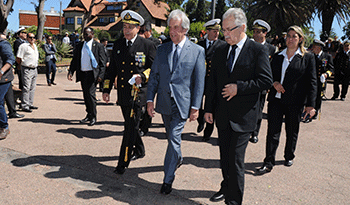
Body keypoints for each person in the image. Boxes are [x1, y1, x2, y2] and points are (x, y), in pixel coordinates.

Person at [204, 8, 273, 204]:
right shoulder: (219, 50)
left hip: (243, 118)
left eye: (228, 30)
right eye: (223, 30)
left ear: (242, 27)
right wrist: (208, 109)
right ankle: (226, 186)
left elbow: (266, 81)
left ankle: (234, 201)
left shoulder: (258, 50)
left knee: (235, 161)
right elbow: (212, 83)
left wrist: (239, 88)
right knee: (225, 158)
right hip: (223, 114)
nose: (224, 34)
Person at [147, 9, 206, 195]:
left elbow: (199, 82)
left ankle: (167, 179)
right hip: (164, 103)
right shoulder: (161, 49)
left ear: (185, 29)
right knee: (172, 139)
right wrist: (150, 100)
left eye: (176, 27)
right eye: (170, 27)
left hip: (183, 104)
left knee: (173, 137)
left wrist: (196, 107)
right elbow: (154, 77)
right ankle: (178, 157)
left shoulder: (197, 51)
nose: (171, 31)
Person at [256, 25, 317, 176]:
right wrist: (274, 83)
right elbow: (268, 75)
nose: (290, 39)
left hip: (295, 102)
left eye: (294, 36)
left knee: (292, 130)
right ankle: (268, 162)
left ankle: (289, 155)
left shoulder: (307, 57)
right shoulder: (278, 56)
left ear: (300, 39)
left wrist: (311, 105)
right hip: (276, 100)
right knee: (272, 132)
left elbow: (312, 82)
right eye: (288, 36)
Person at [103, 10, 157, 175]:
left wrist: (142, 75)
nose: (126, 30)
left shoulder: (147, 45)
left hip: (138, 94)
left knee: (129, 128)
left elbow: (154, 69)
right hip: (123, 94)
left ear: (138, 28)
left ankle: (123, 162)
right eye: (124, 26)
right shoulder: (118, 44)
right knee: (131, 124)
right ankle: (140, 149)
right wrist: (106, 88)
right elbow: (112, 69)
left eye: (130, 27)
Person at [67, 27, 107, 126]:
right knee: (86, 95)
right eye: (84, 34)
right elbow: (75, 60)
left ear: (92, 34)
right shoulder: (80, 45)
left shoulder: (98, 46)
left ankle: (93, 116)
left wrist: (101, 75)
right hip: (83, 73)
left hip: (93, 74)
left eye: (87, 34)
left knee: (91, 95)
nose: (85, 36)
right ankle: (88, 114)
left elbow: (103, 62)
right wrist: (71, 72)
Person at [196, 18, 226, 142]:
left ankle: (207, 132)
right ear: (207, 31)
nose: (216, 33)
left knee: (211, 106)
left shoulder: (222, 45)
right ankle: (200, 119)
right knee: (197, 103)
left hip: (213, 81)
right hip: (200, 80)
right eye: (214, 31)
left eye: (218, 31)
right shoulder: (199, 44)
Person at [249, 19, 276, 143]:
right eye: (254, 31)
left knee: (259, 109)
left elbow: (273, 68)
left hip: (262, 84)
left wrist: (271, 83)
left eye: (258, 32)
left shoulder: (271, 49)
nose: (255, 34)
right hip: (248, 82)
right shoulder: (248, 45)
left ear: (265, 33)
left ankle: (255, 132)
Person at [307, 39, 333, 122]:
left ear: (319, 48)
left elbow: (331, 69)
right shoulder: (310, 55)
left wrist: (326, 74)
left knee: (318, 97)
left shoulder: (327, 57)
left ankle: (315, 112)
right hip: (311, 81)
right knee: (310, 96)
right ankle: (308, 112)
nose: (313, 48)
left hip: (320, 81)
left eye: (314, 47)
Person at [16, 33, 39, 113]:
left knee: (32, 87)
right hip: (27, 68)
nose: (32, 39)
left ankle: (30, 103)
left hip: (34, 68)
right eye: (30, 37)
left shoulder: (35, 46)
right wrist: (20, 66)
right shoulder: (23, 46)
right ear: (27, 38)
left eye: (33, 37)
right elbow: (18, 58)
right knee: (26, 87)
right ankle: (25, 105)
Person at [0, 33, 16, 139]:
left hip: (3, 79)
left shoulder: (3, 44)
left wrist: (1, 71)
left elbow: (10, 59)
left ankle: (4, 126)